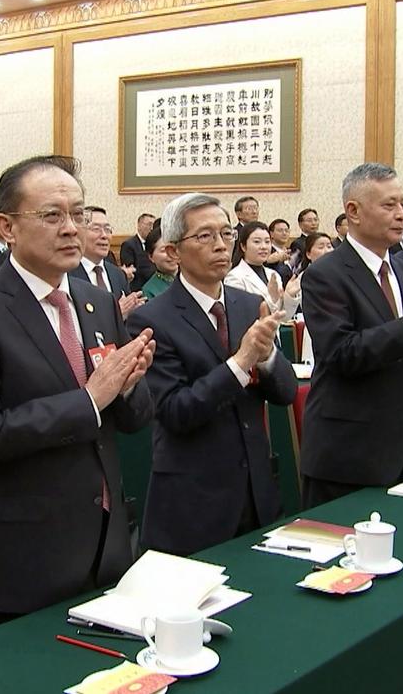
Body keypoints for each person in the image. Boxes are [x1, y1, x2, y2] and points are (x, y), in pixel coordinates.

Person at [0, 155, 155, 619]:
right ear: (7, 227)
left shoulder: (98, 302)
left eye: (79, 213)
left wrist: (128, 387)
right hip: (26, 550)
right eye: (52, 215)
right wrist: (89, 400)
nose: (71, 228)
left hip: (107, 539)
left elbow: (134, 418)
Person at [126, 192, 296, 555]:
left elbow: (285, 393)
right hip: (193, 499)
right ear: (173, 251)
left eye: (226, 234)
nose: (221, 245)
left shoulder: (249, 304)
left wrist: (266, 357)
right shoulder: (150, 320)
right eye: (205, 236)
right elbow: (175, 411)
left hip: (257, 491)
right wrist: (242, 361)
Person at [298, 163, 403, 508]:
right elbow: (341, 354)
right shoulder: (325, 273)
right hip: (347, 451)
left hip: (401, 444)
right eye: (389, 205)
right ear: (353, 211)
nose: (401, 214)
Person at [70, 205, 143, 319]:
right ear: (78, 233)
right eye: (96, 229)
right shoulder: (67, 274)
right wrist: (115, 314)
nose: (104, 235)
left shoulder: (117, 274)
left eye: (107, 229)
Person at [225, 221, 301, 320]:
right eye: (257, 242)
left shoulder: (273, 274)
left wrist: (289, 296)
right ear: (243, 246)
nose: (264, 247)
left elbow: (284, 318)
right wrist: (272, 299)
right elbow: (242, 316)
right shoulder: (234, 277)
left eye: (267, 242)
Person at [140, 222, 177, 299]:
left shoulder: (193, 278)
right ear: (151, 257)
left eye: (174, 248)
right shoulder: (149, 291)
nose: (171, 254)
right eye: (164, 250)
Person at [120, 213, 156, 290]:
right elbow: (131, 271)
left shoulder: (155, 245)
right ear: (139, 226)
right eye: (149, 224)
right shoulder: (129, 245)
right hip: (138, 288)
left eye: (154, 225)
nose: (152, 228)